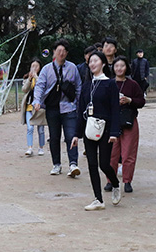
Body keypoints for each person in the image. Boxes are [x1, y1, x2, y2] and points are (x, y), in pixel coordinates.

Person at [72, 51, 122, 210]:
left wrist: (114, 132)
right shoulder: (86, 85)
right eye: (90, 61)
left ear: (103, 63)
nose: (92, 64)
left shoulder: (110, 84)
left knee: (104, 164)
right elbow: (81, 111)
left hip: (106, 129)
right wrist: (76, 134)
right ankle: (98, 199)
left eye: (95, 61)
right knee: (91, 164)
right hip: (89, 128)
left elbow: (115, 110)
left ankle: (115, 183)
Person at [33, 38, 82, 177]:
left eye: (64, 51)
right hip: (52, 108)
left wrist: (78, 106)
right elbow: (40, 86)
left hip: (69, 107)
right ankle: (56, 165)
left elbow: (78, 87)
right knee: (54, 137)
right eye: (58, 50)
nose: (61, 53)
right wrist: (37, 101)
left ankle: (73, 164)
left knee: (71, 136)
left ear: (67, 53)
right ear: (54, 52)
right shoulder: (46, 69)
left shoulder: (72, 68)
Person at [103, 56, 146, 193]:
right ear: (113, 68)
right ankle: (111, 180)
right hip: (112, 122)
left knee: (128, 153)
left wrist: (129, 100)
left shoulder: (132, 84)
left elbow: (141, 101)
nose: (119, 68)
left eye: (122, 66)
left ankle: (127, 181)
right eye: (116, 66)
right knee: (112, 154)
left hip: (128, 121)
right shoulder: (108, 83)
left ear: (126, 67)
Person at [22, 60, 46, 156]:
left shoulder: (43, 77)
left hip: (39, 107)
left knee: (41, 130)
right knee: (30, 128)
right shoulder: (27, 78)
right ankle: (30, 148)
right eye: (32, 66)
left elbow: (44, 88)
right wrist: (29, 79)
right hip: (29, 107)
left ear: (40, 67)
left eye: (36, 66)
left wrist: (36, 77)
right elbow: (24, 90)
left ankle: (41, 148)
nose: (34, 68)